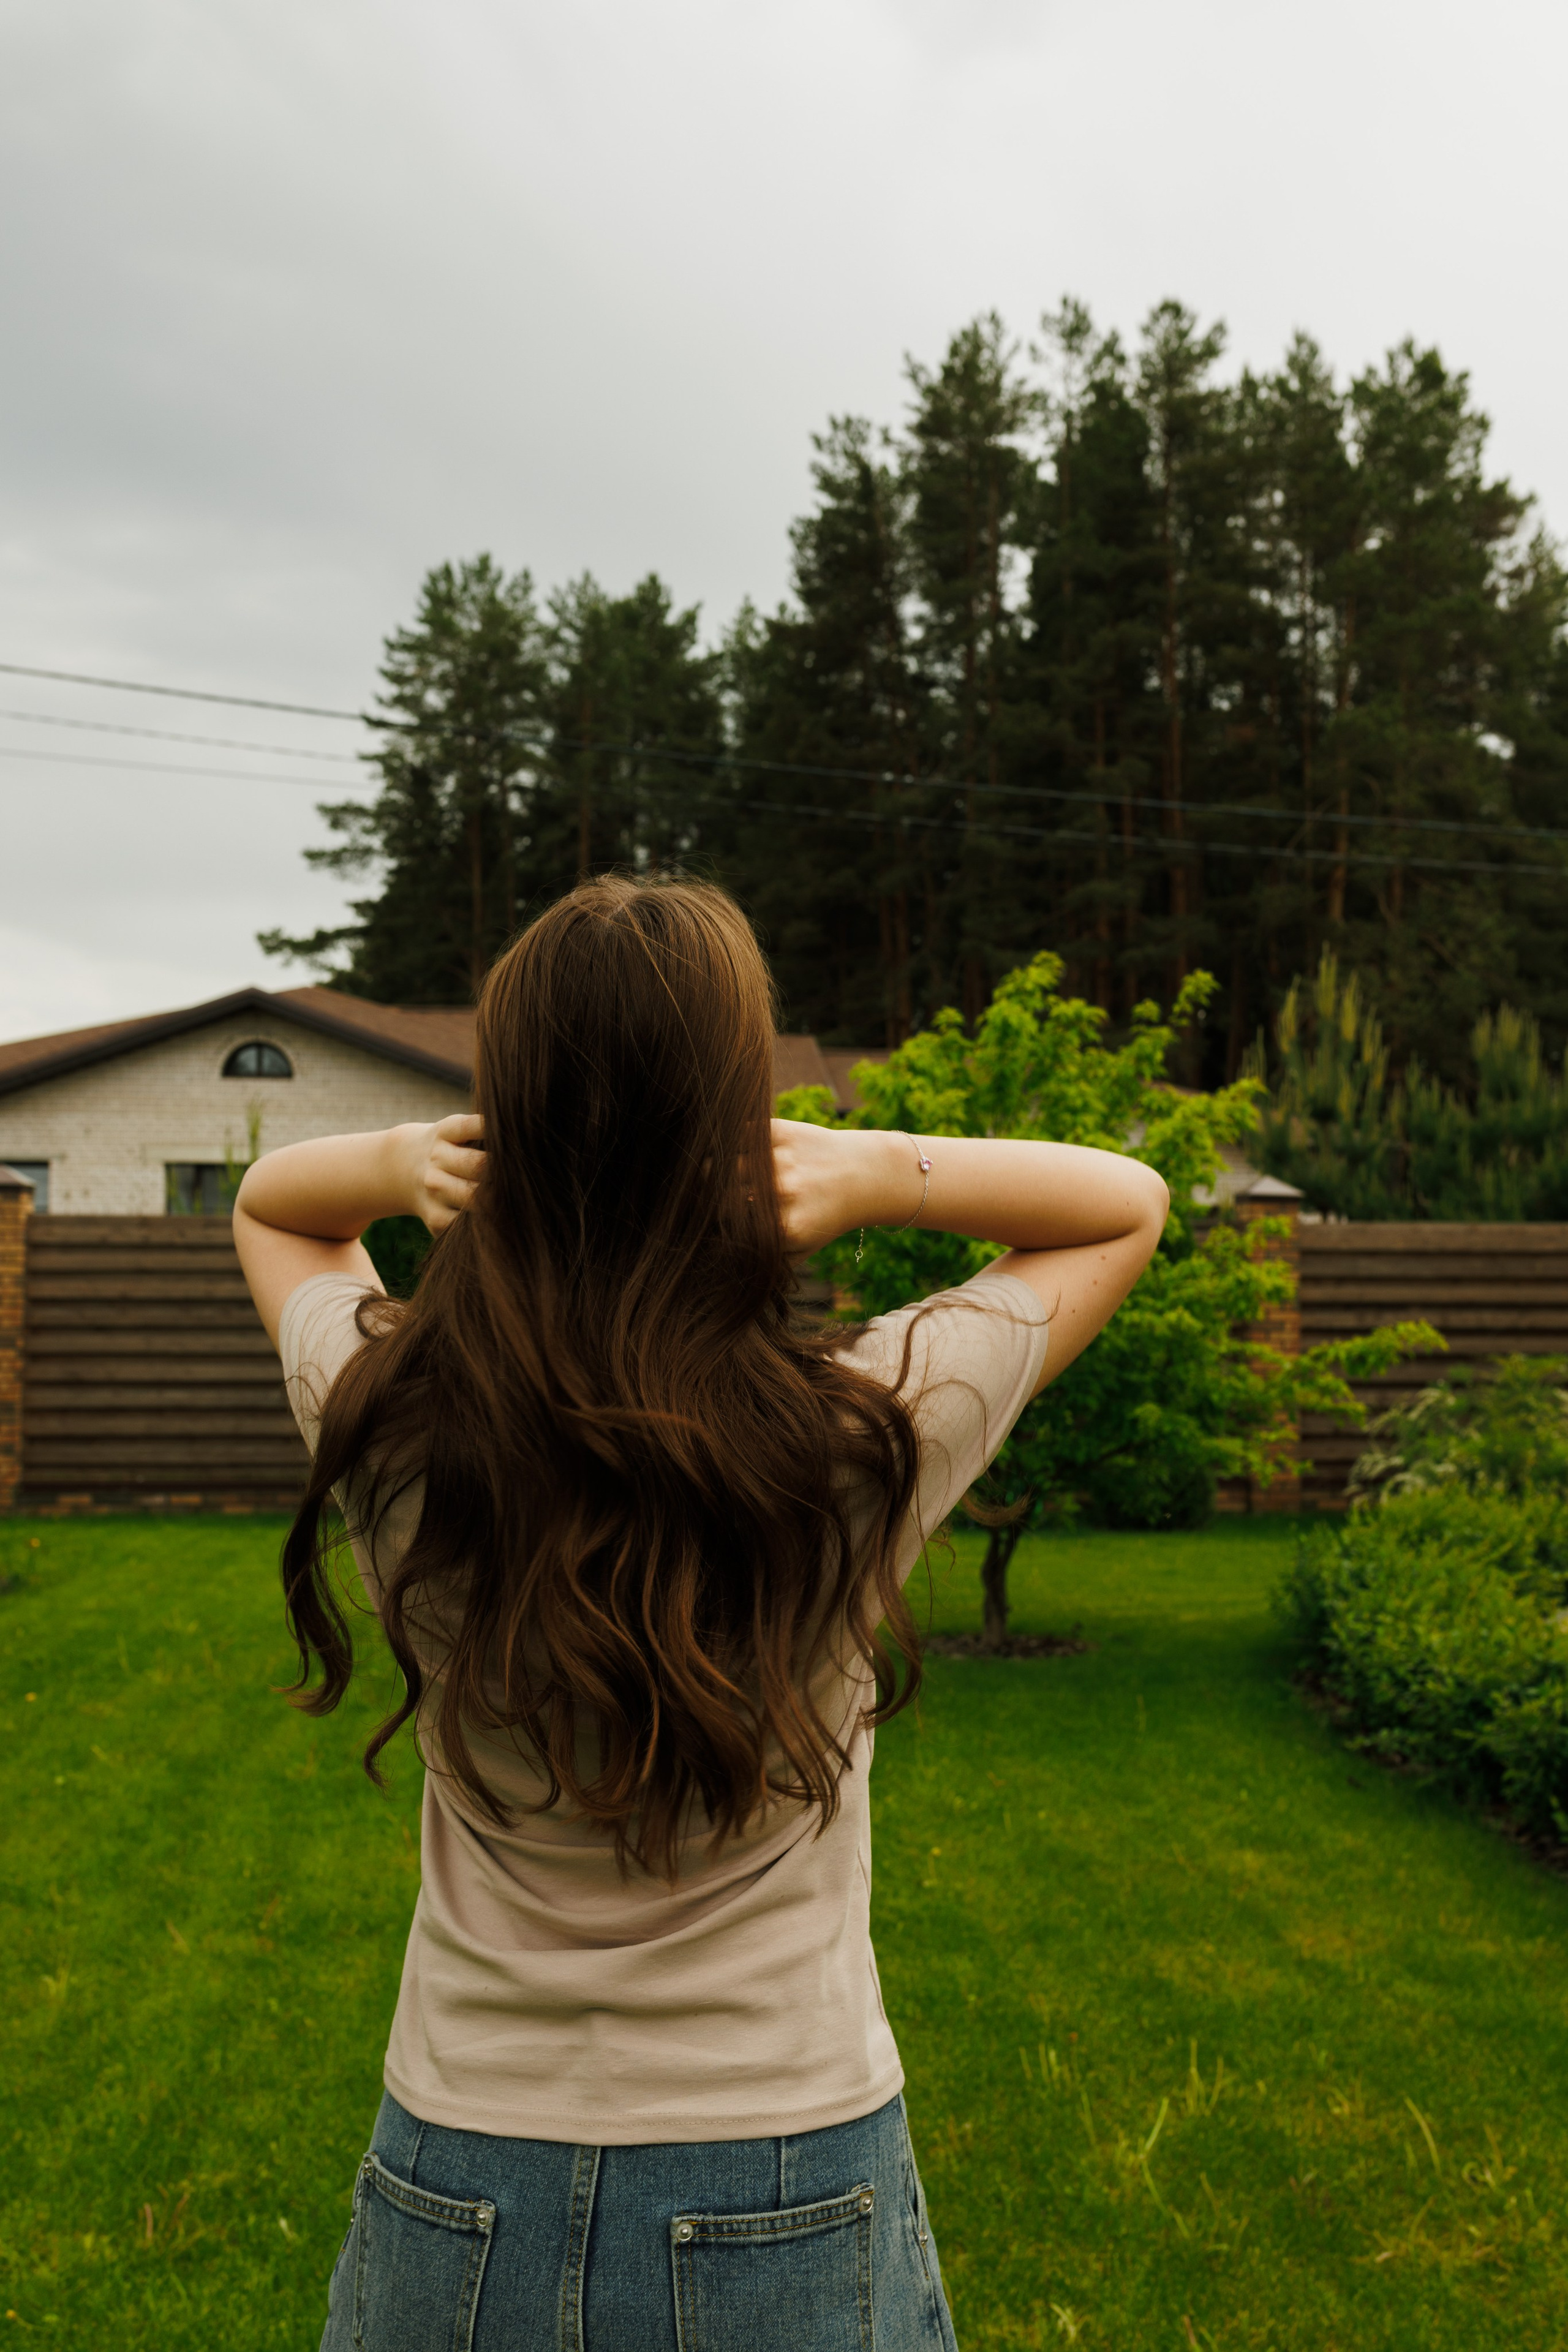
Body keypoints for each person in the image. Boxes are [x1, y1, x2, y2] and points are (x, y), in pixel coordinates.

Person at [233, 876, 1168, 2352]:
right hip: (783, 2161)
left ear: (505, 1122)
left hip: (454, 2168)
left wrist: (410, 1157)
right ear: (741, 1127)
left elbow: (271, 1207)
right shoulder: (866, 1430)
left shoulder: (393, 1421)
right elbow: (1124, 1202)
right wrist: (868, 1171)